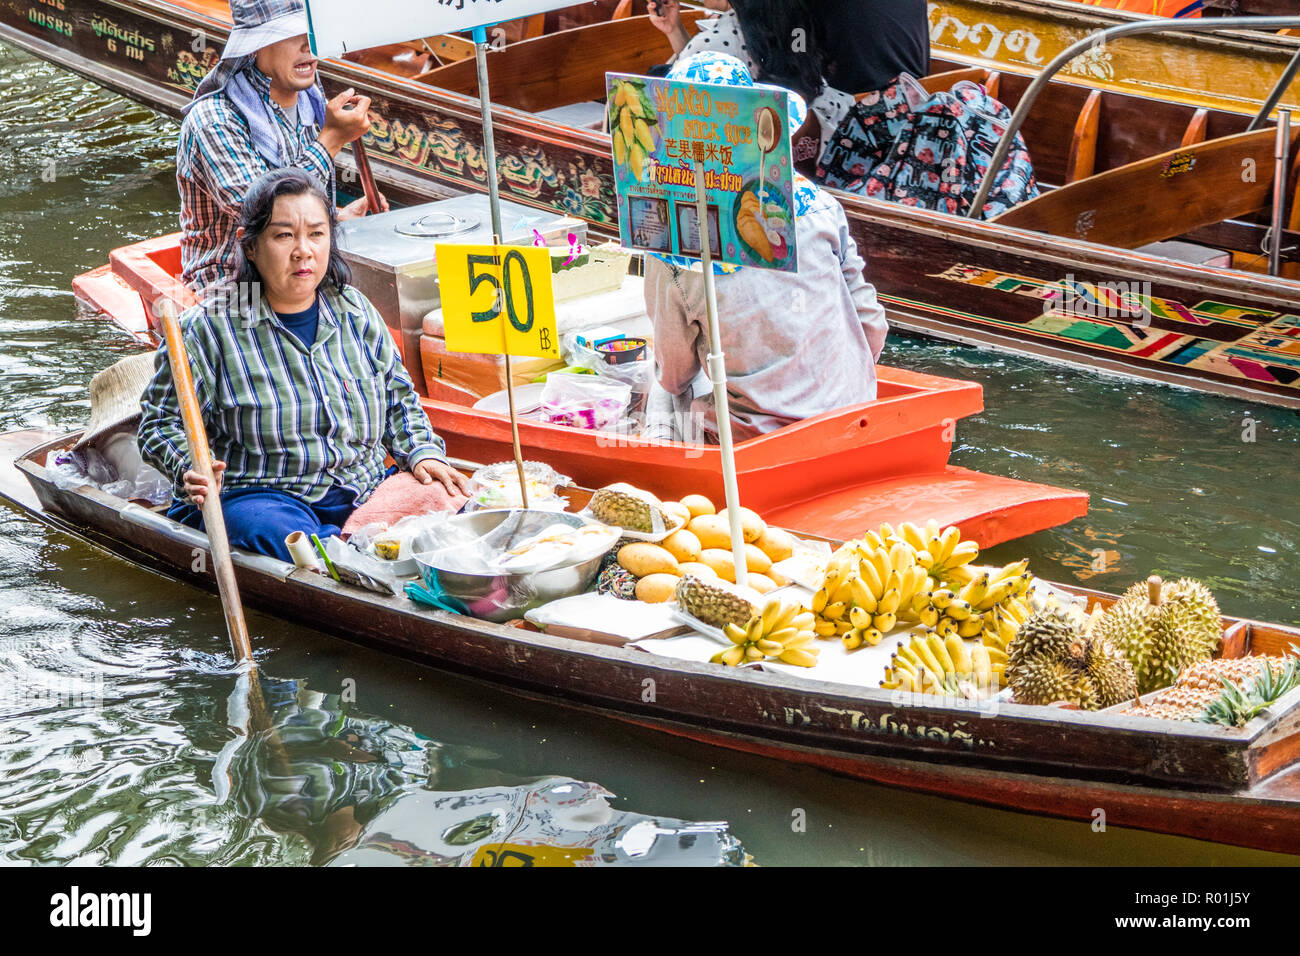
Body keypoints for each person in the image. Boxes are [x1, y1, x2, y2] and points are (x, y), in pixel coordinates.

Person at [139, 168, 468, 562]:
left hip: (362, 491)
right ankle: (351, 554)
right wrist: (190, 465)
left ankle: (354, 546)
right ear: (249, 246)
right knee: (278, 534)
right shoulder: (209, 328)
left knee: (451, 497)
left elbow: (399, 401)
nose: (303, 250)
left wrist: (421, 453)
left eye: (316, 233)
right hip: (263, 496)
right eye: (283, 235)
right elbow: (159, 424)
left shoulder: (354, 310)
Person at [643, 53, 888, 443]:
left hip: (754, 434)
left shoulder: (673, 241)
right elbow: (872, 326)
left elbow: (674, 374)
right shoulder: (819, 205)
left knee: (661, 391)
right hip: (851, 412)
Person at [177, 0, 389, 297]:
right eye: (291, 34)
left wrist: (336, 219)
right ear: (255, 46)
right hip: (235, 289)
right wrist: (330, 140)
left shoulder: (309, 99)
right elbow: (264, 215)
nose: (308, 45)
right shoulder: (213, 120)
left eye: (312, 32)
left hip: (303, 277)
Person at [647, 0, 853, 159]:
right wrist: (674, 31)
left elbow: (678, 113)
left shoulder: (714, 42)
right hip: (818, 144)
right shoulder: (789, 22)